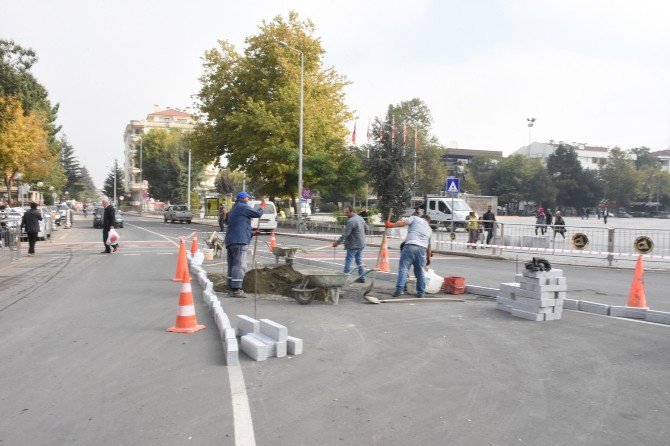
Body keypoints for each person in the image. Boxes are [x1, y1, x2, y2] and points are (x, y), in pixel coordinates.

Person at [224, 191, 265, 297]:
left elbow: (239, 226)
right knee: (239, 265)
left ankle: (231, 287)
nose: (248, 200)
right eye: (248, 198)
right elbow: (257, 214)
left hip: (231, 240)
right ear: (243, 198)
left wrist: (252, 232)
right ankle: (236, 290)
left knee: (232, 265)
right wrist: (262, 208)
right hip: (239, 241)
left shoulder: (234, 208)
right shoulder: (243, 207)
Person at [386, 214, 433, 298]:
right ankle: (421, 293)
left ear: (421, 217)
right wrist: (428, 259)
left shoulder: (415, 218)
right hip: (422, 249)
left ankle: (399, 290)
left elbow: (403, 223)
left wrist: (391, 225)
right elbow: (429, 247)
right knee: (419, 271)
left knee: (403, 268)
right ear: (428, 221)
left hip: (410, 245)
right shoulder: (429, 229)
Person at [332, 205, 369, 283]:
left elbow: (346, 234)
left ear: (352, 212)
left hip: (353, 244)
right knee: (359, 260)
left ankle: (345, 278)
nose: (346, 214)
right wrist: (361, 237)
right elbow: (367, 229)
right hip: (361, 243)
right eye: (345, 212)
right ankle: (362, 278)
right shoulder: (360, 218)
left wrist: (337, 242)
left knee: (348, 260)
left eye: (347, 212)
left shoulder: (351, 221)